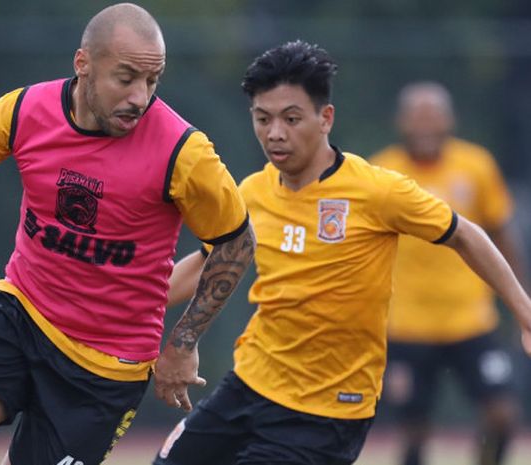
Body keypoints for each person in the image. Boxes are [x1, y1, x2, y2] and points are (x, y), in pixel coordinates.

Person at [0, 3, 255, 465]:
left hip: (105, 370)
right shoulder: (25, 110)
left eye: (152, 81)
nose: (140, 96)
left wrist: (183, 343)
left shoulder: (185, 152)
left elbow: (235, 242)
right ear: (83, 64)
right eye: (125, 78)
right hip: (20, 317)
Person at [153, 40, 531, 465]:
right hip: (248, 385)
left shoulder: (378, 190)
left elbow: (466, 234)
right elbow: (208, 264)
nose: (275, 132)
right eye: (263, 119)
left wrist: (524, 311)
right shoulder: (252, 193)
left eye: (291, 118)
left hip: (326, 413)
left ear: (325, 118)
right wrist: (127, 306)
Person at [370, 81, 528, 465]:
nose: (425, 125)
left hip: (470, 319)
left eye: (433, 115)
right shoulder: (381, 171)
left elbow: (500, 233)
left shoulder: (475, 166)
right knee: (413, 432)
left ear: (449, 120)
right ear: (401, 122)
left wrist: (520, 297)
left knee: (502, 414)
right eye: (417, 116)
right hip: (407, 323)